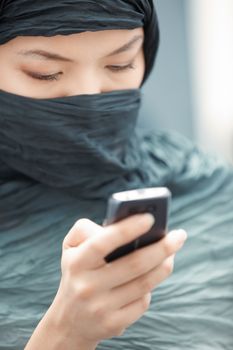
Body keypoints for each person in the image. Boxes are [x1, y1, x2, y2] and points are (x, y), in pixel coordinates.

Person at [0, 1, 233, 350]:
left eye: (119, 64)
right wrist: (66, 335)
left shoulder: (209, 188)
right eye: (44, 72)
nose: (90, 97)